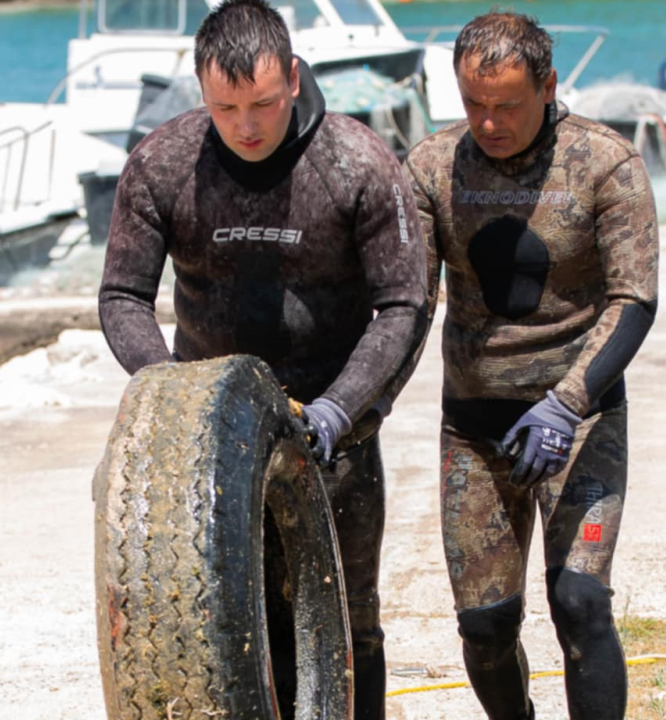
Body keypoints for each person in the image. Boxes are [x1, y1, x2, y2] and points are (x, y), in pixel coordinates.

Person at [97, 0, 428, 717]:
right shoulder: (163, 162)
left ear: (295, 78)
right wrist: (173, 395)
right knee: (222, 629)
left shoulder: (355, 160)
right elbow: (123, 295)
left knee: (346, 627)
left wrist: (342, 409)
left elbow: (405, 303)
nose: (247, 126)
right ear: (200, 91)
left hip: (332, 428)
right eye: (226, 107)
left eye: (264, 104)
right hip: (209, 436)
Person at [402, 11, 658, 720]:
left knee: (578, 604)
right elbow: (408, 304)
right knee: (485, 628)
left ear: (548, 85)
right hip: (474, 432)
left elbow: (635, 299)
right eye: (473, 104)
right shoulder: (431, 166)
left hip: (581, 420)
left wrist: (567, 402)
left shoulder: (604, 161)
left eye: (507, 105)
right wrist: (354, 401)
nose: (489, 123)